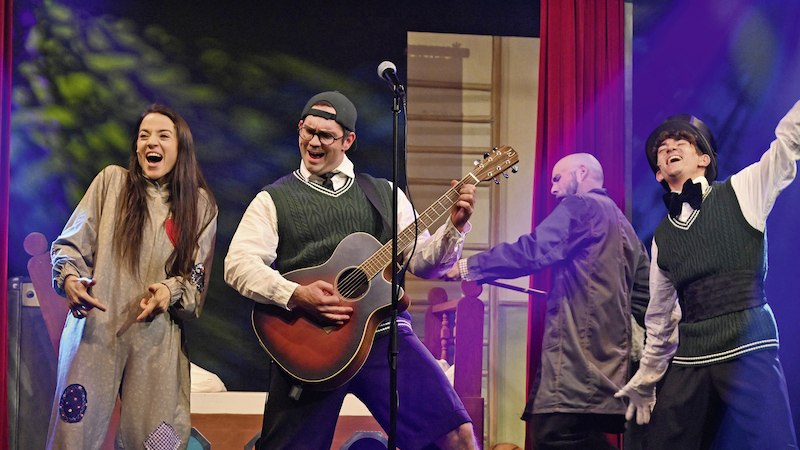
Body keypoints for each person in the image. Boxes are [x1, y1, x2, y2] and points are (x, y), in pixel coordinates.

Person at [224, 91, 478, 449]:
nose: (313, 141)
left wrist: (455, 227)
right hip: (311, 346)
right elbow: (238, 264)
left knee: (456, 437)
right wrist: (297, 295)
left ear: (348, 140)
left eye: (325, 135)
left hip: (383, 336)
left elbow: (424, 262)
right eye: (307, 131)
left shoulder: (384, 193)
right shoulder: (273, 198)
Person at [614, 101, 800, 449]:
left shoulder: (742, 191)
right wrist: (648, 376)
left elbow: (788, 141)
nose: (669, 146)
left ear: (704, 160)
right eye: (662, 147)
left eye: (681, 140)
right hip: (691, 356)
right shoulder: (662, 237)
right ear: (657, 172)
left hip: (748, 344)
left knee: (774, 443)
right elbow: (660, 318)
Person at [446, 153, 650, 450]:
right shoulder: (623, 224)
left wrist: (469, 267)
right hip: (611, 369)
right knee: (578, 438)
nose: (552, 189)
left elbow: (533, 250)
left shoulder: (581, 205)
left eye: (557, 178)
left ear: (581, 172)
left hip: (575, 368)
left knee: (552, 437)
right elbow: (645, 293)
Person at [46, 104, 218, 450]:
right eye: (143, 136)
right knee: (72, 437)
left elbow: (195, 281)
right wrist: (70, 280)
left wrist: (169, 291)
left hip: (157, 340)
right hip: (96, 331)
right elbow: (68, 247)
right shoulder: (112, 183)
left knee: (158, 442)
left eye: (162, 136)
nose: (151, 143)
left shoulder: (199, 205)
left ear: (180, 147)